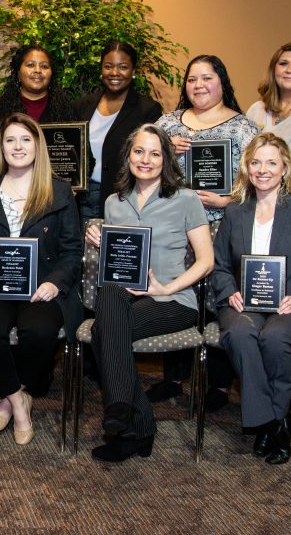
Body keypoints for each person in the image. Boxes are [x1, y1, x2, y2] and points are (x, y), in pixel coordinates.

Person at [0, 113, 83, 445]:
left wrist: (55, 282)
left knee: (39, 331)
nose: (18, 146)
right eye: (10, 140)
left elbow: (72, 249)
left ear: (37, 146)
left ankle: (8, 396)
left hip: (41, 287)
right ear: (1, 147)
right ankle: (20, 403)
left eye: (25, 139)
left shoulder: (59, 190)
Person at [85, 124, 213, 462]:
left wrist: (167, 286)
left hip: (173, 301)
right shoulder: (115, 203)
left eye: (155, 153)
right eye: (139, 151)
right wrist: (98, 241)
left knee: (103, 332)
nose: (146, 159)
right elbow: (119, 260)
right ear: (128, 156)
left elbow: (206, 261)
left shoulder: (185, 198)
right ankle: (132, 418)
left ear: (166, 159)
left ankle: (130, 419)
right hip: (126, 297)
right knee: (110, 291)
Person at [211, 134, 291, 464]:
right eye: (255, 162)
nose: (262, 170)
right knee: (240, 334)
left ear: (284, 168)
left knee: (275, 336)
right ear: (246, 167)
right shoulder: (236, 210)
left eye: (270, 163)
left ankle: (271, 418)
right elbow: (220, 264)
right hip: (244, 303)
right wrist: (229, 291)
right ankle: (274, 421)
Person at [154, 55, 259, 406]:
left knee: (216, 301)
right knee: (173, 296)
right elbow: (140, 161)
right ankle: (173, 377)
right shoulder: (167, 123)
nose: (198, 85)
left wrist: (225, 200)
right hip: (170, 229)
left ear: (222, 82)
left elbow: (260, 183)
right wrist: (165, 147)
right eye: (191, 79)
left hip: (221, 226)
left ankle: (217, 385)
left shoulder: (244, 128)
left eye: (207, 78)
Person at [74, 40, 163, 221]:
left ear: (133, 71)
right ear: (101, 70)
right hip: (81, 197)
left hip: (124, 196)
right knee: (81, 248)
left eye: (123, 67)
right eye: (108, 66)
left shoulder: (147, 109)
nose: (115, 73)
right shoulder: (81, 106)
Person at [0, 45, 78, 176]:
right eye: (30, 65)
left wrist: (72, 187)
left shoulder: (66, 108)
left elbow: (83, 158)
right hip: (6, 190)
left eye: (44, 66)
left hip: (54, 192)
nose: (38, 70)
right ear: (18, 72)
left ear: (51, 74)